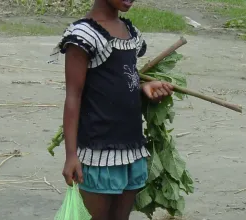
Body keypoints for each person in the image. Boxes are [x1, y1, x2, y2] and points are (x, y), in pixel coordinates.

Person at [49, 0, 173, 219]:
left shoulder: (130, 32)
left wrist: (143, 88)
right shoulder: (84, 34)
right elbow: (73, 97)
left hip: (132, 149)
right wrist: (71, 155)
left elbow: (122, 78)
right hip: (98, 153)